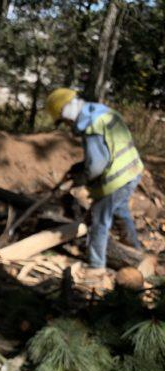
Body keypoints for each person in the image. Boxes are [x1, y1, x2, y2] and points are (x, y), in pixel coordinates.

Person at [45, 88, 144, 281]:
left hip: (116, 179)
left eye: (64, 121)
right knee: (120, 210)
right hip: (132, 170)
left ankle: (97, 266)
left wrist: (82, 178)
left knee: (99, 220)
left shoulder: (91, 126)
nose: (67, 125)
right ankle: (135, 252)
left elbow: (97, 167)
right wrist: (80, 167)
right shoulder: (101, 112)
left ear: (67, 111)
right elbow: (109, 148)